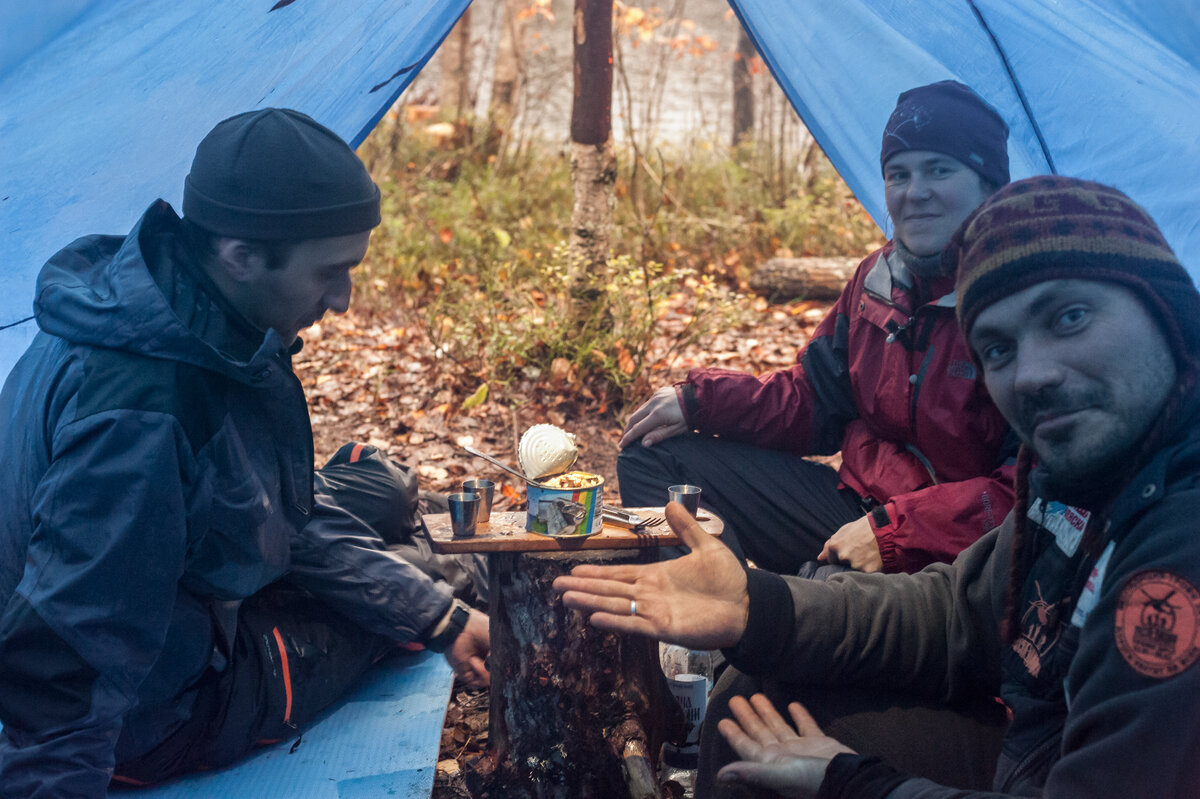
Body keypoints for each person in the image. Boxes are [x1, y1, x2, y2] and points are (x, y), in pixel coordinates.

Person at [554, 176, 1200, 797]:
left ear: (1167, 309)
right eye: (998, 350)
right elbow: (961, 610)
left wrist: (852, 781)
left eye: (1070, 317)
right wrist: (761, 606)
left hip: (962, 609)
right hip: (1023, 717)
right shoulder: (1076, 479)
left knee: (774, 720)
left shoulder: (1176, 548)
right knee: (751, 694)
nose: (1031, 374)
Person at [0, 108, 489, 797]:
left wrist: (427, 607)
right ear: (240, 253)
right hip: (159, 712)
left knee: (382, 507)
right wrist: (440, 612)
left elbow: (272, 507)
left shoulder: (170, 307)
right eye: (332, 272)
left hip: (185, 590)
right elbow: (62, 669)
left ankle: (422, 556)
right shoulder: (142, 419)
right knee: (410, 597)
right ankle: (447, 571)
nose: (345, 300)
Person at [618, 81, 1017, 576]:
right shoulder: (878, 279)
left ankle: (788, 621)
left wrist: (896, 533)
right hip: (851, 509)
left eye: (939, 169)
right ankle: (700, 633)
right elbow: (814, 402)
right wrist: (701, 400)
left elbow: (1028, 495)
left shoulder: (1019, 303)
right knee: (656, 459)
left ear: (989, 184)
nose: (915, 193)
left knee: (823, 597)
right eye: (898, 174)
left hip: (954, 561)